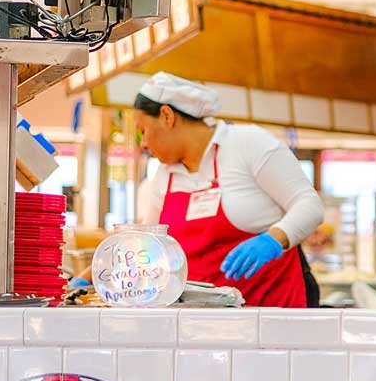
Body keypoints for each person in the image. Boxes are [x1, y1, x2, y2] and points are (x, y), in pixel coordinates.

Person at [134, 72, 323, 307]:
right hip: (198, 327)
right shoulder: (165, 175)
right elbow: (145, 242)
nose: (143, 143)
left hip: (271, 320)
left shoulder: (248, 144)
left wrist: (274, 240)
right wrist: (88, 278)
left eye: (142, 130)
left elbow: (309, 205)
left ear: (167, 116)